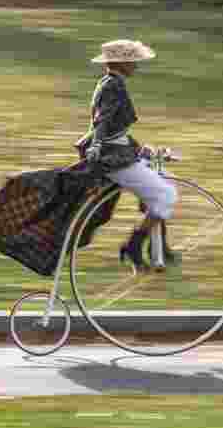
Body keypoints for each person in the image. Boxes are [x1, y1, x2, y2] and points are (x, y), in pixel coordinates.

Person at [75, 39, 178, 272]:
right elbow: (102, 122)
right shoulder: (113, 86)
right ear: (120, 63)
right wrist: (97, 145)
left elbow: (114, 128)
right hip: (112, 158)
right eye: (132, 60)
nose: (136, 65)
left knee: (163, 178)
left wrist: (138, 148)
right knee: (166, 195)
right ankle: (133, 245)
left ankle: (158, 246)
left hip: (117, 150)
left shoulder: (110, 82)